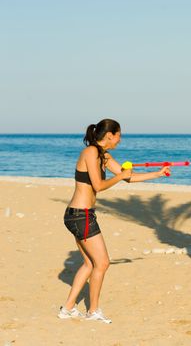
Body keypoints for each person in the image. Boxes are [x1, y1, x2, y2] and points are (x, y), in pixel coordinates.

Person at [58, 119, 171, 323]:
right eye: (119, 135)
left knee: (89, 264)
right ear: (110, 135)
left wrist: (158, 173)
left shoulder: (103, 155)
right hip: (80, 215)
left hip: (81, 215)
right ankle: (93, 311)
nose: (120, 139)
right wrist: (120, 177)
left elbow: (127, 177)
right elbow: (99, 186)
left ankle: (67, 309)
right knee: (102, 263)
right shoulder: (91, 153)